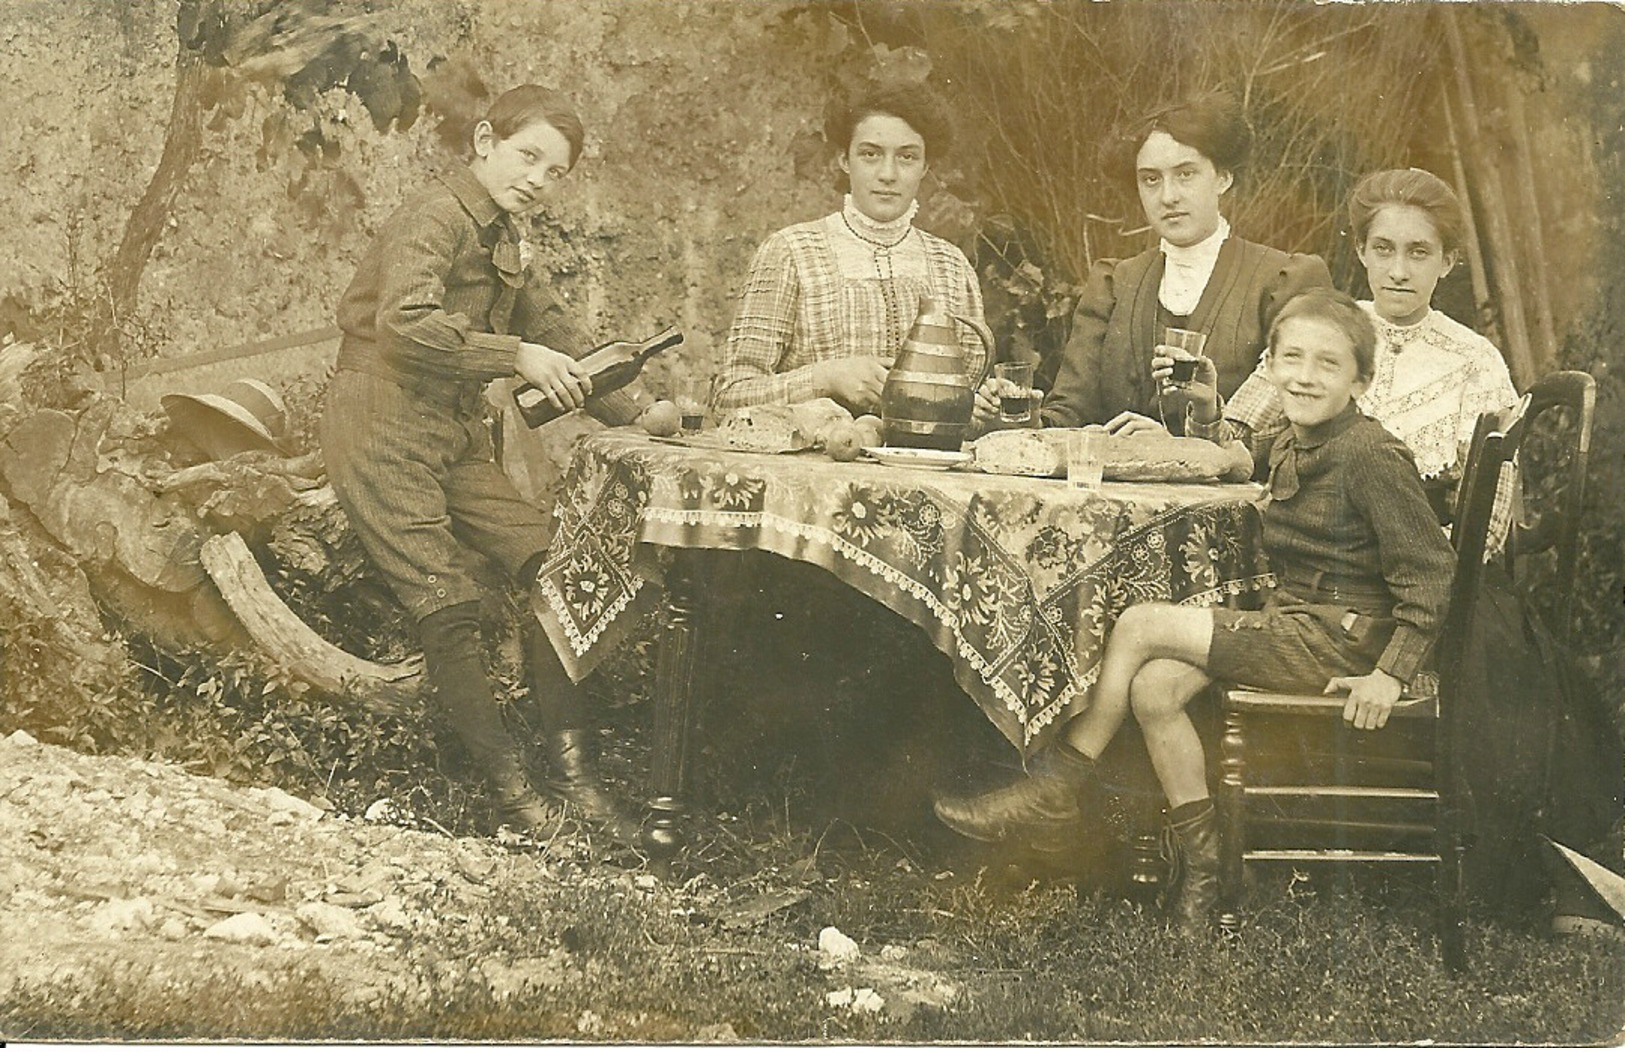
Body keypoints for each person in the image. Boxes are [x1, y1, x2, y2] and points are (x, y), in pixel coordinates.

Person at [934, 288, 1458, 933]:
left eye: (1328, 364)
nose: (1305, 375)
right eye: (1291, 358)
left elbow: (1433, 573)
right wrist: (1186, 431)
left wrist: (1391, 673)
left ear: (1362, 380)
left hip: (1343, 641)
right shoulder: (1297, 437)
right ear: (1271, 367)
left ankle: (1055, 786)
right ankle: (1207, 872)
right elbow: (1235, 453)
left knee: (1139, 622)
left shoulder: (1371, 453)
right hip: (1297, 622)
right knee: (1154, 689)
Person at [320, 85, 642, 840]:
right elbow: (403, 327)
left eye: (555, 171)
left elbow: (550, 328)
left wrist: (634, 412)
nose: (537, 178)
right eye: (527, 155)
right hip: (379, 418)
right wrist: (515, 356)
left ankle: (576, 781)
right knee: (448, 600)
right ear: (485, 141)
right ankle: (517, 800)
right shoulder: (436, 214)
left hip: (452, 428)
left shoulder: (504, 233)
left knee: (553, 568)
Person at [1219, 168, 1519, 518]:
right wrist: (1204, 409)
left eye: (1419, 252)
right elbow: (1237, 442)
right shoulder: (1320, 328)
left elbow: (1488, 520)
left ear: (1447, 261)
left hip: (1414, 559)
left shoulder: (1475, 361)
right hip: (1307, 544)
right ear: (1362, 251)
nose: (1398, 271)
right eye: (1383, 249)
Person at [1038, 90, 1331, 436]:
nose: (1168, 196)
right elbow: (1069, 413)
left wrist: (1178, 446)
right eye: (1151, 179)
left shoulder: (1284, 281)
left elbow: (1293, 427)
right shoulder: (1114, 283)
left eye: (1186, 174)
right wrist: (1015, 415)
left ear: (1223, 178)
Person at [711, 80, 987, 414]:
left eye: (907, 157)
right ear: (844, 159)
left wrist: (984, 404)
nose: (888, 174)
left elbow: (971, 396)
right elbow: (729, 397)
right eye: (870, 154)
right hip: (816, 463)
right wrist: (826, 377)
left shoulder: (952, 266)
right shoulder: (790, 252)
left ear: (926, 167)